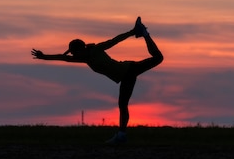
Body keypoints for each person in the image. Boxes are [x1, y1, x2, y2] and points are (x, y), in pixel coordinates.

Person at [31, 17, 164, 144]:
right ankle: (121, 136)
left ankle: (143, 32)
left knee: (158, 58)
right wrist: (43, 57)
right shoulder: (84, 58)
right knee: (123, 105)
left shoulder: (97, 49)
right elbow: (63, 57)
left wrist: (132, 32)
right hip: (125, 77)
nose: (72, 55)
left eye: (73, 52)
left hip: (129, 69)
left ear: (80, 49)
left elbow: (115, 40)